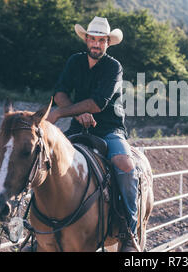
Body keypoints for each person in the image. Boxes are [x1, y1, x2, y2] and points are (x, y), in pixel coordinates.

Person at [47, 16, 141, 252]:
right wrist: (76, 114)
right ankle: (37, 227)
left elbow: (98, 104)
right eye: (92, 39)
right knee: (46, 162)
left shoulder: (113, 67)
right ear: (86, 39)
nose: (96, 44)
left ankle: (129, 232)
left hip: (109, 128)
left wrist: (59, 114)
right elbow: (59, 92)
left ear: (108, 43)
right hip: (80, 127)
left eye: (101, 40)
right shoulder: (75, 62)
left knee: (126, 166)